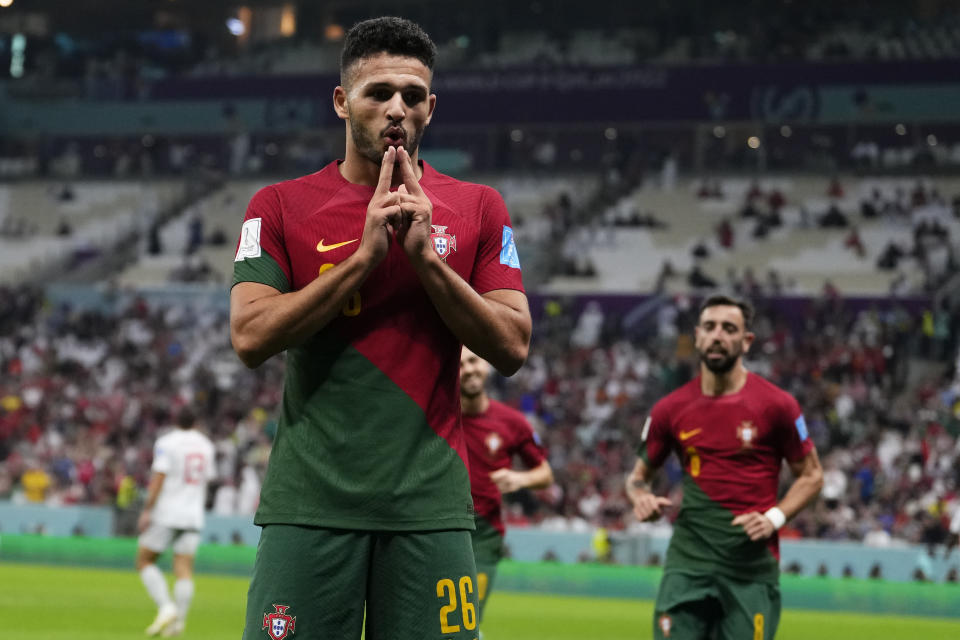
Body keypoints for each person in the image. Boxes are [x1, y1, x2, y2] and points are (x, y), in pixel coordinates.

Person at [229, 17, 530, 640]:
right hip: (310, 503)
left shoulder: (479, 207)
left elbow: (511, 345)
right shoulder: (279, 204)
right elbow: (250, 337)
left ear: (431, 108)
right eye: (379, 93)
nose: (397, 108)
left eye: (413, 96)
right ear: (343, 101)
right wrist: (363, 259)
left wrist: (425, 260)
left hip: (432, 508)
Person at [625, 295, 823, 640]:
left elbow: (813, 475)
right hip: (688, 563)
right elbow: (637, 479)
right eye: (710, 327)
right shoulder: (669, 409)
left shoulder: (777, 405)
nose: (718, 336)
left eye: (729, 329)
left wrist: (775, 518)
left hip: (749, 570)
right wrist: (640, 497)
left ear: (746, 342)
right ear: (697, 336)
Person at [460, 346, 552, 623]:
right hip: (441, 526)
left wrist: (519, 478)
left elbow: (545, 473)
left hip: (485, 531)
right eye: (460, 365)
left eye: (473, 361)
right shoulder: (438, 415)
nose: (468, 370)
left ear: (486, 365)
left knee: (468, 616)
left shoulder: (512, 422)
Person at [136, 408, 216, 637]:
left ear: (175, 420)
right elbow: (207, 479)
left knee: (144, 560)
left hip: (167, 512)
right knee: (184, 568)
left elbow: (159, 477)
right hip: (193, 514)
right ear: (196, 422)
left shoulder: (167, 443)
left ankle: (166, 607)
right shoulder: (206, 445)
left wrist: (147, 509)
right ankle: (178, 622)